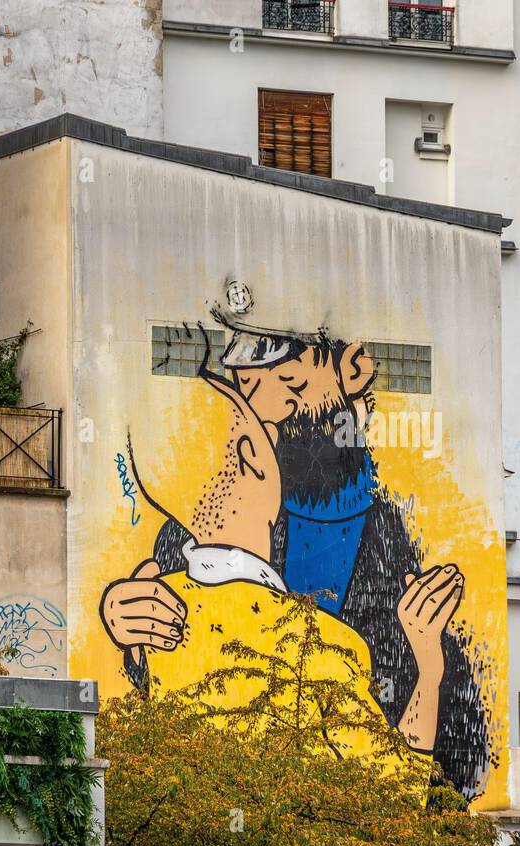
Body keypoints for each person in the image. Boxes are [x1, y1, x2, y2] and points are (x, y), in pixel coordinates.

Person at [101, 302, 489, 795]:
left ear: (353, 370)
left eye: (289, 381)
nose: (269, 407)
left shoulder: (403, 532)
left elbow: (459, 754)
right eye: (246, 388)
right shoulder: (209, 526)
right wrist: (121, 616)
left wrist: (431, 663)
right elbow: (164, 650)